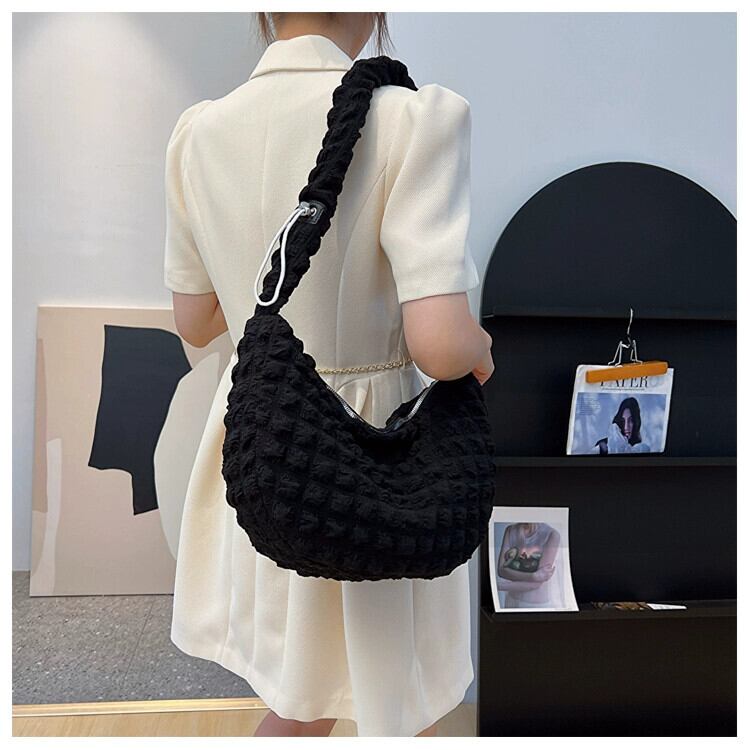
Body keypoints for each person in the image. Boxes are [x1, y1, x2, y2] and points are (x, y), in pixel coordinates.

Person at [163, 12, 494, 738]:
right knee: (389, 693)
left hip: (264, 448)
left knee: (298, 701)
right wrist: (480, 346)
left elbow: (195, 320)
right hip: (372, 460)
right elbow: (440, 345)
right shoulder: (410, 118)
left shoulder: (200, 133)